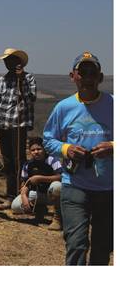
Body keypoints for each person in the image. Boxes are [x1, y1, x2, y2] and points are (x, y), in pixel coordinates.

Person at [43, 52, 113, 265]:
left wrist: (112, 146)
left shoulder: (114, 104)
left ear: (100, 77)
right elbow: (48, 139)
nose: (88, 76)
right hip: (74, 185)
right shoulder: (63, 108)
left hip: (108, 188)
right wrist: (66, 149)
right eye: (83, 72)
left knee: (103, 246)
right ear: (73, 75)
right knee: (76, 243)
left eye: (93, 72)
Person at [0, 48, 37, 210]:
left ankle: (23, 194)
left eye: (10, 60)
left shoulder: (28, 78)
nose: (7, 63)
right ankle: (10, 196)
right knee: (8, 161)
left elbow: (31, 99)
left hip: (18, 124)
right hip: (4, 124)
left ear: (18, 62)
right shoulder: (2, 80)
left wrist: (21, 80)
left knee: (20, 160)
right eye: (5, 60)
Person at [11, 137, 62, 230]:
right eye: (33, 150)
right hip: (37, 194)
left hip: (51, 195)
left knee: (57, 186)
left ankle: (57, 218)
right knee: (16, 206)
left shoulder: (52, 160)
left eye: (39, 149)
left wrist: (40, 178)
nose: (36, 152)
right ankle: (40, 209)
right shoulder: (27, 165)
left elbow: (61, 177)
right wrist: (23, 196)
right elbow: (24, 183)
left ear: (44, 149)